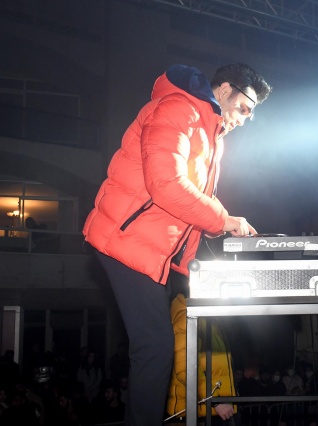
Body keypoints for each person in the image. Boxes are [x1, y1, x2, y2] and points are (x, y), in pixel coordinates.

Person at [83, 63, 271, 425]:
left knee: (153, 347)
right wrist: (223, 220)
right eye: (244, 108)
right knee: (154, 347)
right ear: (224, 90)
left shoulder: (209, 132)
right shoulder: (179, 109)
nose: (245, 119)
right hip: (124, 240)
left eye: (251, 114)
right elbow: (166, 185)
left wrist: (219, 227)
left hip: (147, 248)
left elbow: (189, 204)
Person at [166, 289, 237, 424]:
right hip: (200, 414)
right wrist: (214, 400)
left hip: (212, 411)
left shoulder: (206, 315)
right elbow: (184, 366)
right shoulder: (187, 315)